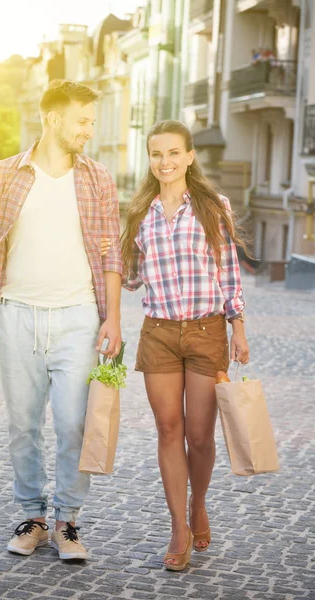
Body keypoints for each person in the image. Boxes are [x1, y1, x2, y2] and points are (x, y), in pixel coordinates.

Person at [0, 79, 123, 560]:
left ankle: (67, 522)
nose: (88, 130)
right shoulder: (5, 173)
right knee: (23, 424)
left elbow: (111, 252)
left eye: (92, 121)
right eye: (82, 120)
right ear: (53, 118)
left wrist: (112, 318)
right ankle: (32, 516)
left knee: (74, 423)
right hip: (17, 315)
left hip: (78, 316)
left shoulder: (97, 178)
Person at [102, 120, 249, 571]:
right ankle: (178, 528)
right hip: (159, 333)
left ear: (189, 157)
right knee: (170, 431)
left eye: (172, 153)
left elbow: (227, 272)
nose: (164, 162)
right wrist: (107, 251)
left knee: (200, 436)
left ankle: (198, 504)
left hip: (206, 332)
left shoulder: (212, 206)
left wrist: (237, 326)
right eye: (156, 154)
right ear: (149, 160)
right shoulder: (139, 209)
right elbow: (129, 277)